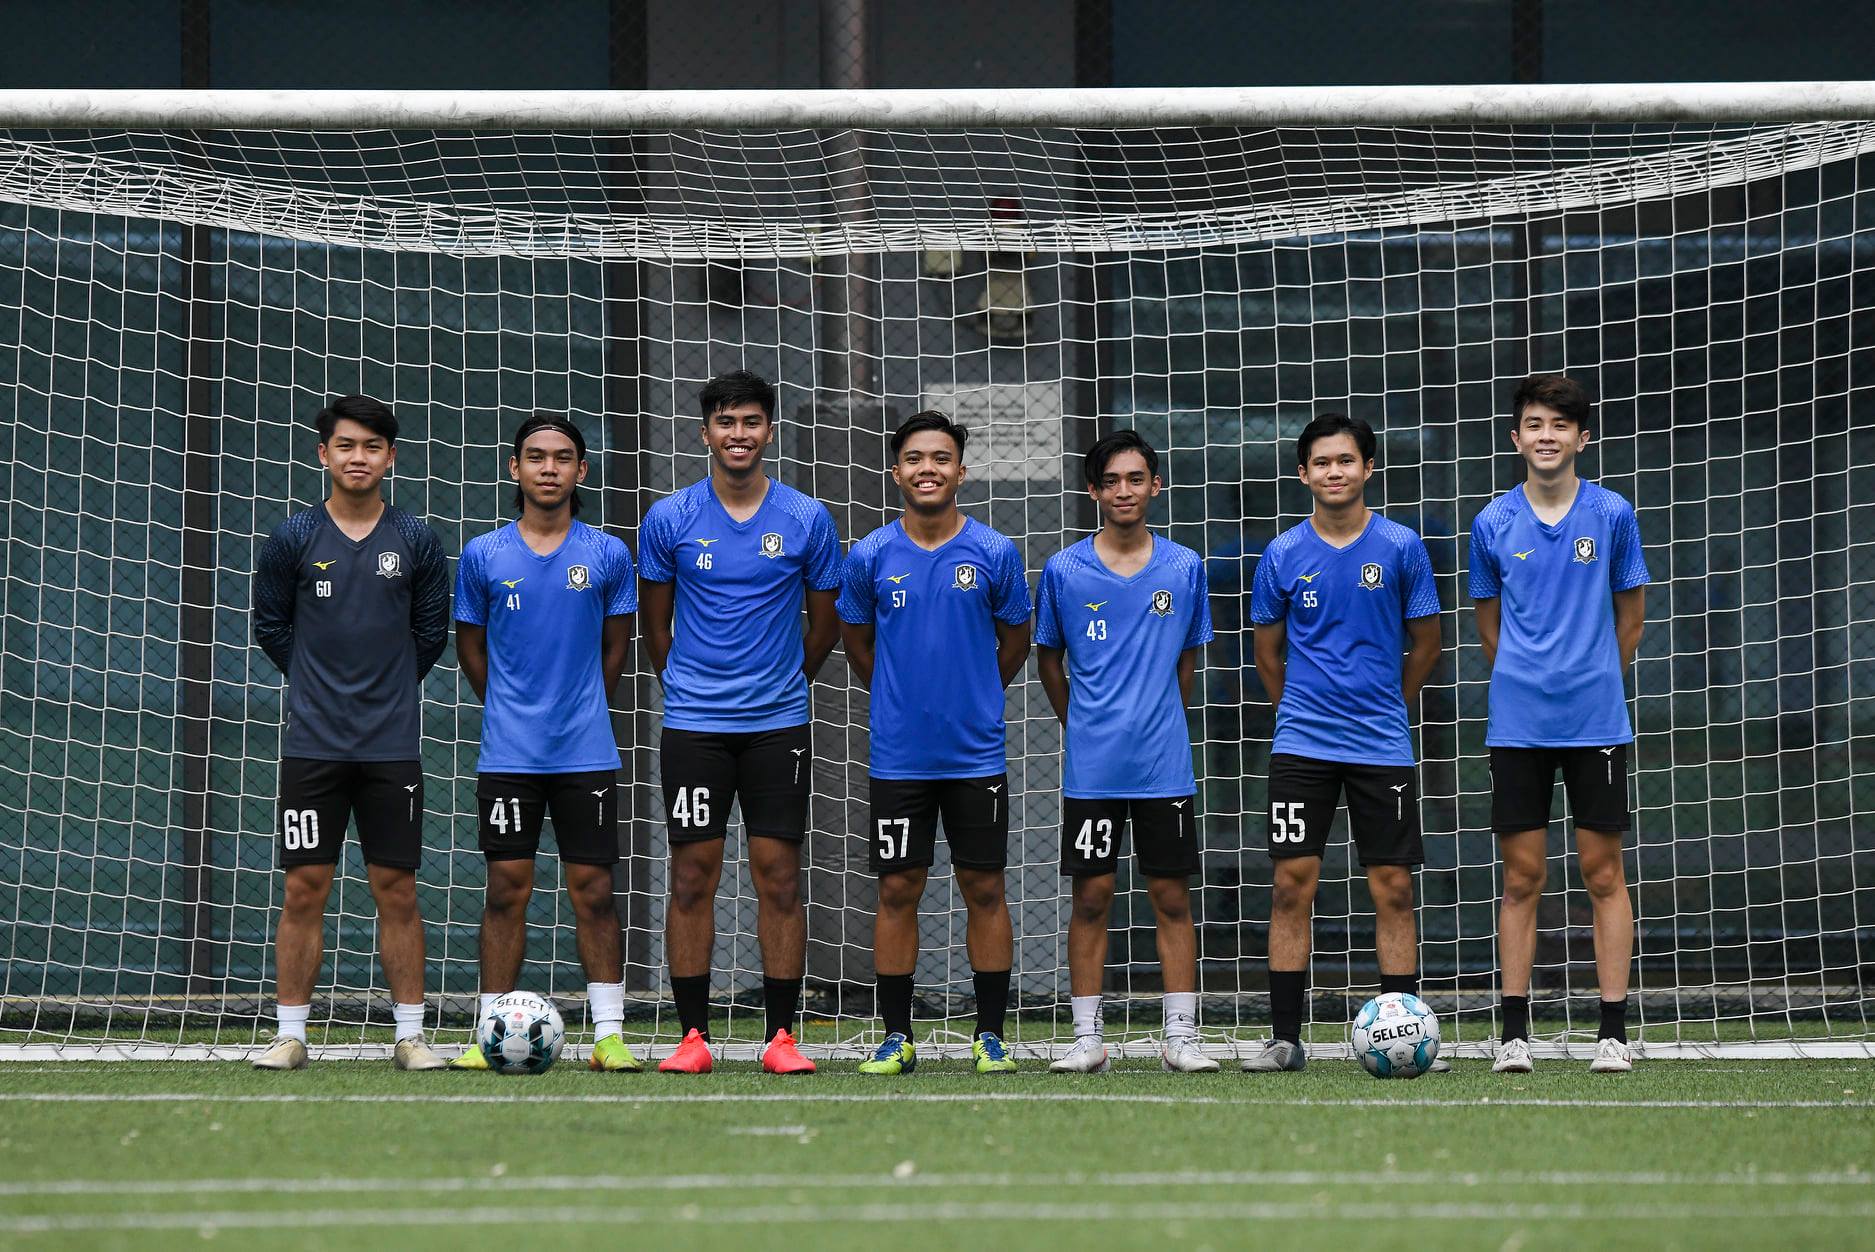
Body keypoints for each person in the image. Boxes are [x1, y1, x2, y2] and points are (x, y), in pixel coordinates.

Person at [638, 371, 841, 1076]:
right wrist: (693, 687)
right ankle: (692, 1036)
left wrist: (782, 682)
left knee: (777, 875)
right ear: (705, 432)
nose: (738, 434)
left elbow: (824, 626)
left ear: (769, 431)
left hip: (777, 724)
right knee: (692, 873)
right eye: (726, 422)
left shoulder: (807, 518)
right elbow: (654, 627)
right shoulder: (668, 518)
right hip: (694, 725)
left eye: (751, 422)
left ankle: (780, 1036)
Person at [251, 395, 450, 1071]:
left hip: (392, 747)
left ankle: (411, 1037)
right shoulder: (292, 539)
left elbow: (429, 636)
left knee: (395, 887)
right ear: (323, 455)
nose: (357, 457)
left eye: (371, 446)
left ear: (390, 456)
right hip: (312, 745)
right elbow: (272, 627)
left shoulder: (416, 540)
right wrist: (316, 681)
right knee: (304, 886)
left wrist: (387, 687)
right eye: (345, 445)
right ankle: (290, 1035)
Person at [1246, 413, 1443, 1073]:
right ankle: (1282, 1039)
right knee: (1289, 884)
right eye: (1321, 462)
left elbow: (1427, 644)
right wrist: (1300, 711)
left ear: (1367, 468)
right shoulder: (1281, 554)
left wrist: (1388, 704)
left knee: (1391, 885)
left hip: (1380, 744)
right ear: (1303, 474)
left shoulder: (1400, 545)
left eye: (1346, 460)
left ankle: (1401, 1031)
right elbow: (1267, 653)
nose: (1334, 472)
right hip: (1301, 744)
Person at [838, 411, 1032, 1075]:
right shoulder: (868, 555)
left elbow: (1015, 641)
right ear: (895, 472)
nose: (928, 468)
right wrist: (897, 691)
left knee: (984, 888)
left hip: (973, 753)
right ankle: (896, 1036)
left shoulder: (994, 553)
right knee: (898, 889)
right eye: (915, 458)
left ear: (960, 471)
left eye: (941, 458)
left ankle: (989, 1035)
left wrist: (975, 689)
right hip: (899, 756)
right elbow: (857, 642)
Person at [449, 414, 641, 1073]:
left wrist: (579, 704)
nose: (549, 468)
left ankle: (610, 1035)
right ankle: (488, 1030)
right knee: (507, 886)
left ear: (580, 471)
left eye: (563, 457)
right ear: (515, 469)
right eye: (536, 457)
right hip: (509, 754)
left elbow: (616, 647)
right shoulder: (482, 555)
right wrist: (508, 705)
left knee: (593, 888)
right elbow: (469, 647)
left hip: (586, 751)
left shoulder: (608, 554)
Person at [1471, 373, 1649, 1075]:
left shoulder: (1611, 514)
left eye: (1559, 425)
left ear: (1581, 437)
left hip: (1596, 721)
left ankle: (1611, 1031)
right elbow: (1488, 629)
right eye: (1534, 424)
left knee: (1602, 873)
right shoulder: (1491, 522)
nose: (1546, 436)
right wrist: (1531, 677)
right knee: (1521, 878)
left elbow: (1629, 617)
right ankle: (1511, 1034)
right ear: (1516, 439)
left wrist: (1592, 676)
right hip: (1516, 725)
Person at [1035, 431, 1217, 1074]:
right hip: (1093, 766)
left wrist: (1154, 717)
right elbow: (1048, 660)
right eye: (1111, 480)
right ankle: (1088, 1039)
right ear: (1093, 491)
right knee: (1091, 896)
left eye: (1135, 478)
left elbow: (1187, 666)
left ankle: (1181, 1038)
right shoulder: (1063, 570)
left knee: (1171, 897)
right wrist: (1083, 721)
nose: (1123, 491)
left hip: (1163, 764)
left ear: (1155, 486)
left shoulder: (1185, 566)